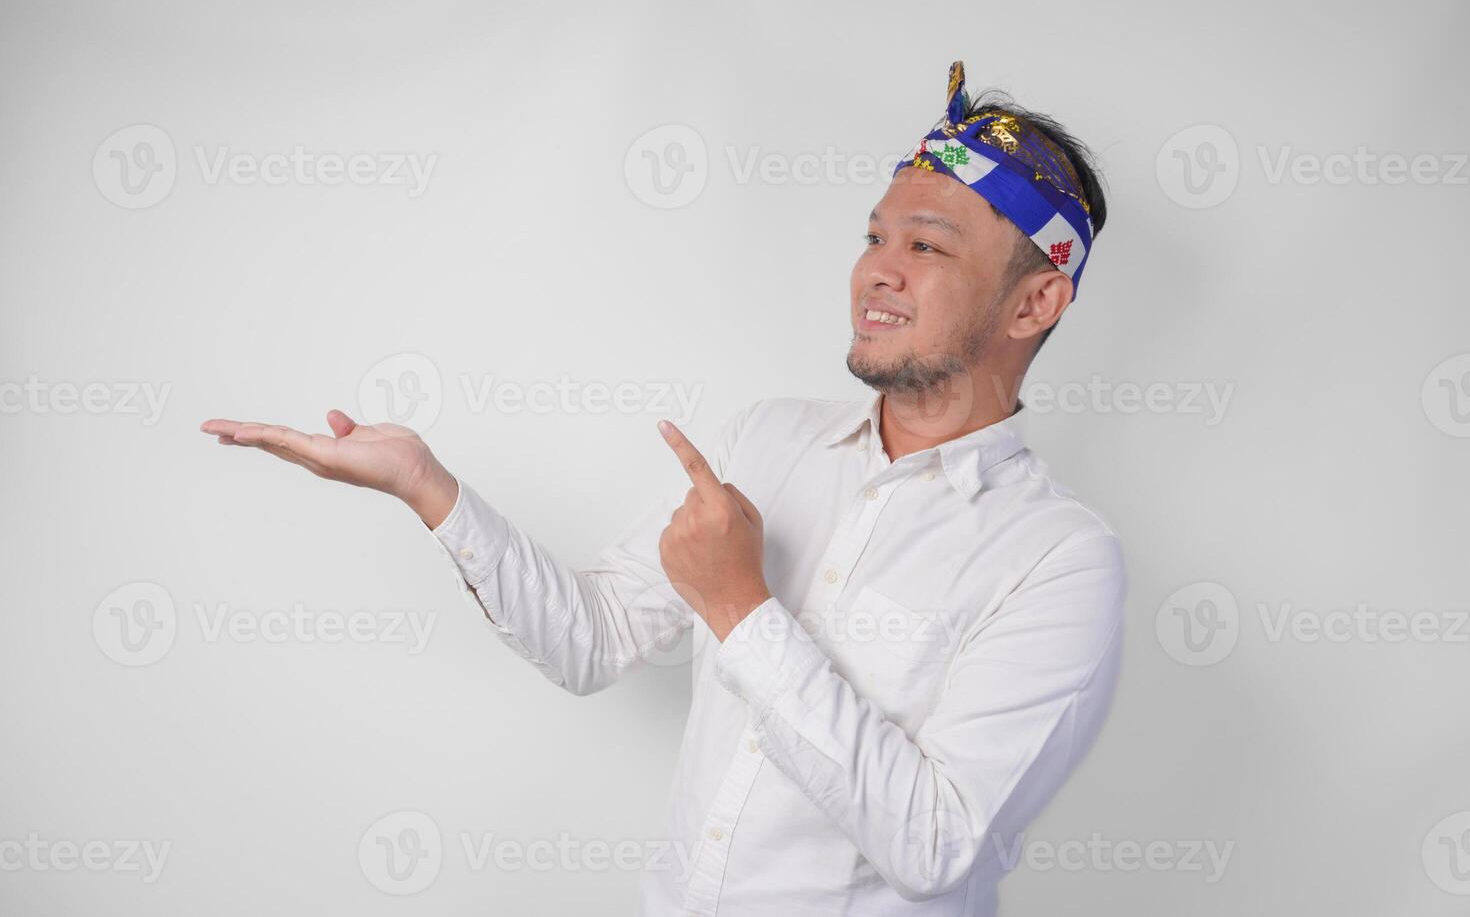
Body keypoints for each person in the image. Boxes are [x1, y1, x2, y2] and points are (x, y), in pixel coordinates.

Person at [201, 60, 1124, 916]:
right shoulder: (767, 439)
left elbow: (936, 842)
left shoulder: (1057, 560)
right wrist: (426, 486)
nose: (876, 268)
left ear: (1033, 302)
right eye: (875, 235)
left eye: (926, 245)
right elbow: (591, 640)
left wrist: (740, 606)